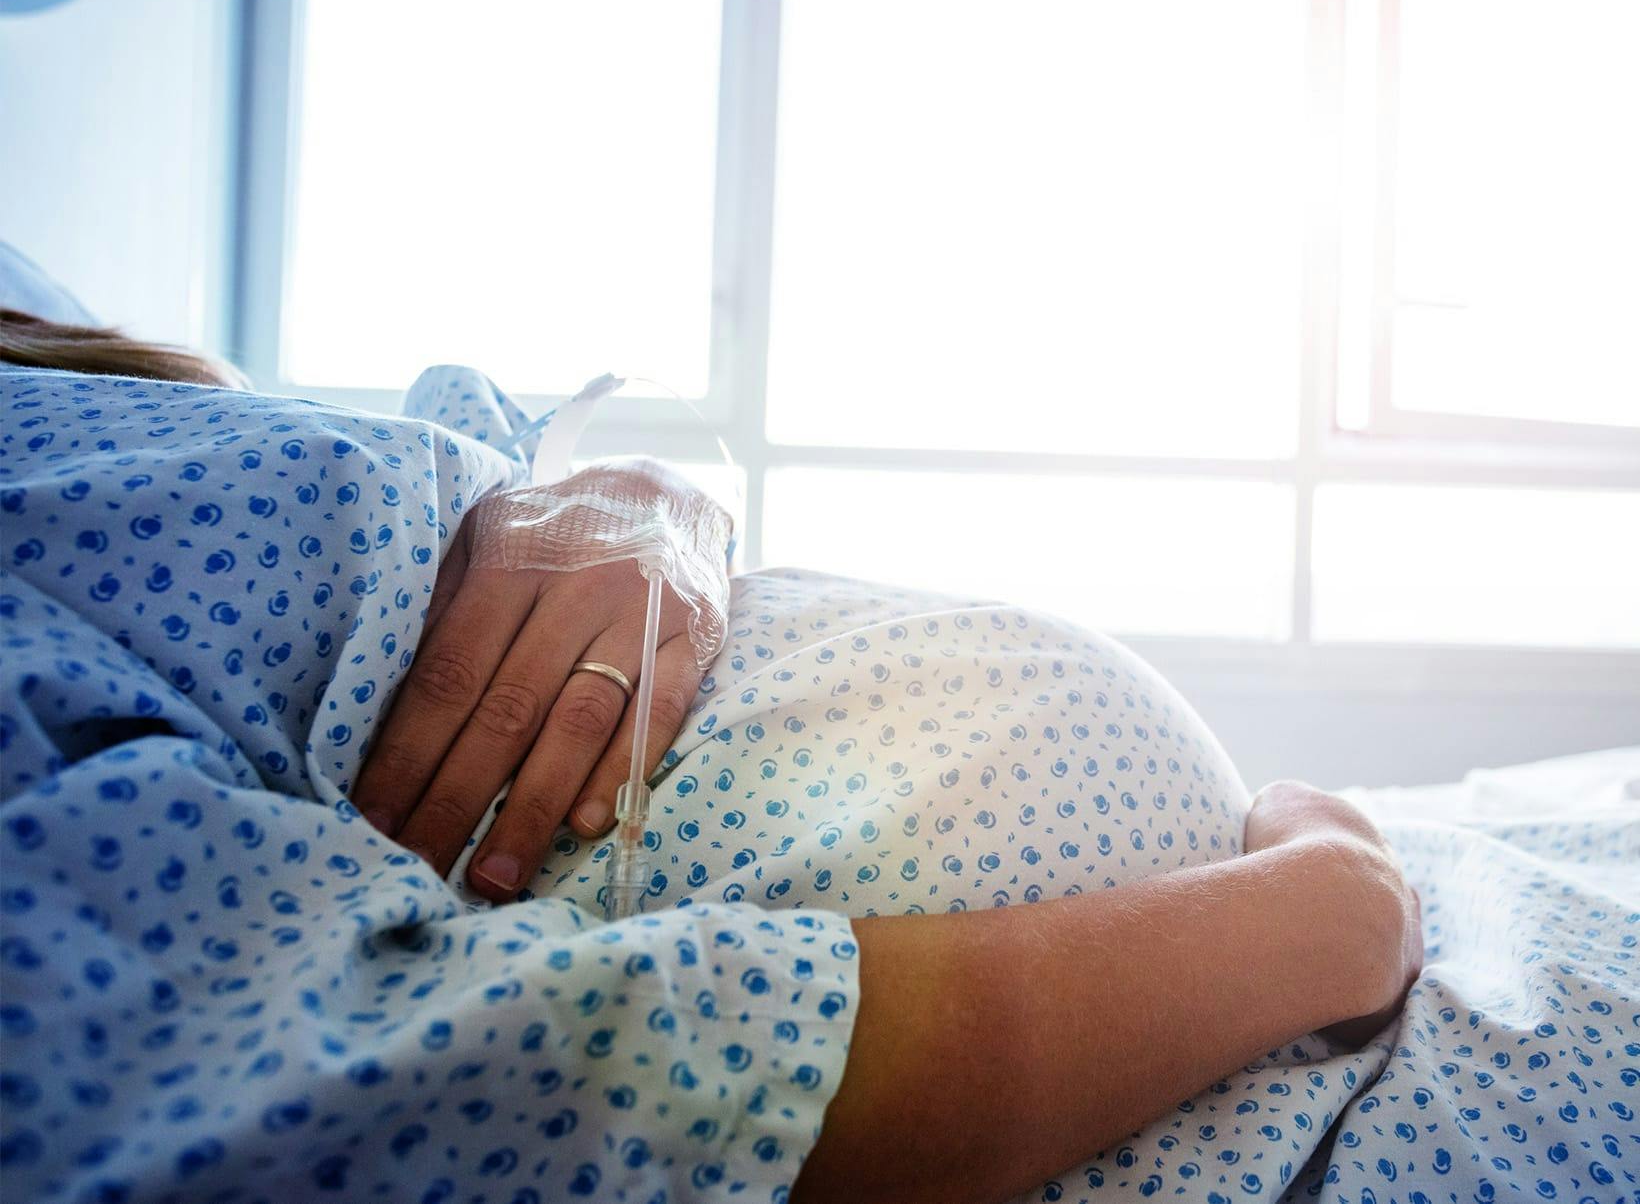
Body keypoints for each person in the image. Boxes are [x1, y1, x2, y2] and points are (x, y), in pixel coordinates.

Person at [1, 306, 1421, 1204]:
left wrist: (647, 504)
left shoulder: (45, 358)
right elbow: (496, 1087)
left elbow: (408, 498)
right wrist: (1318, 925)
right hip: (1214, 1051)